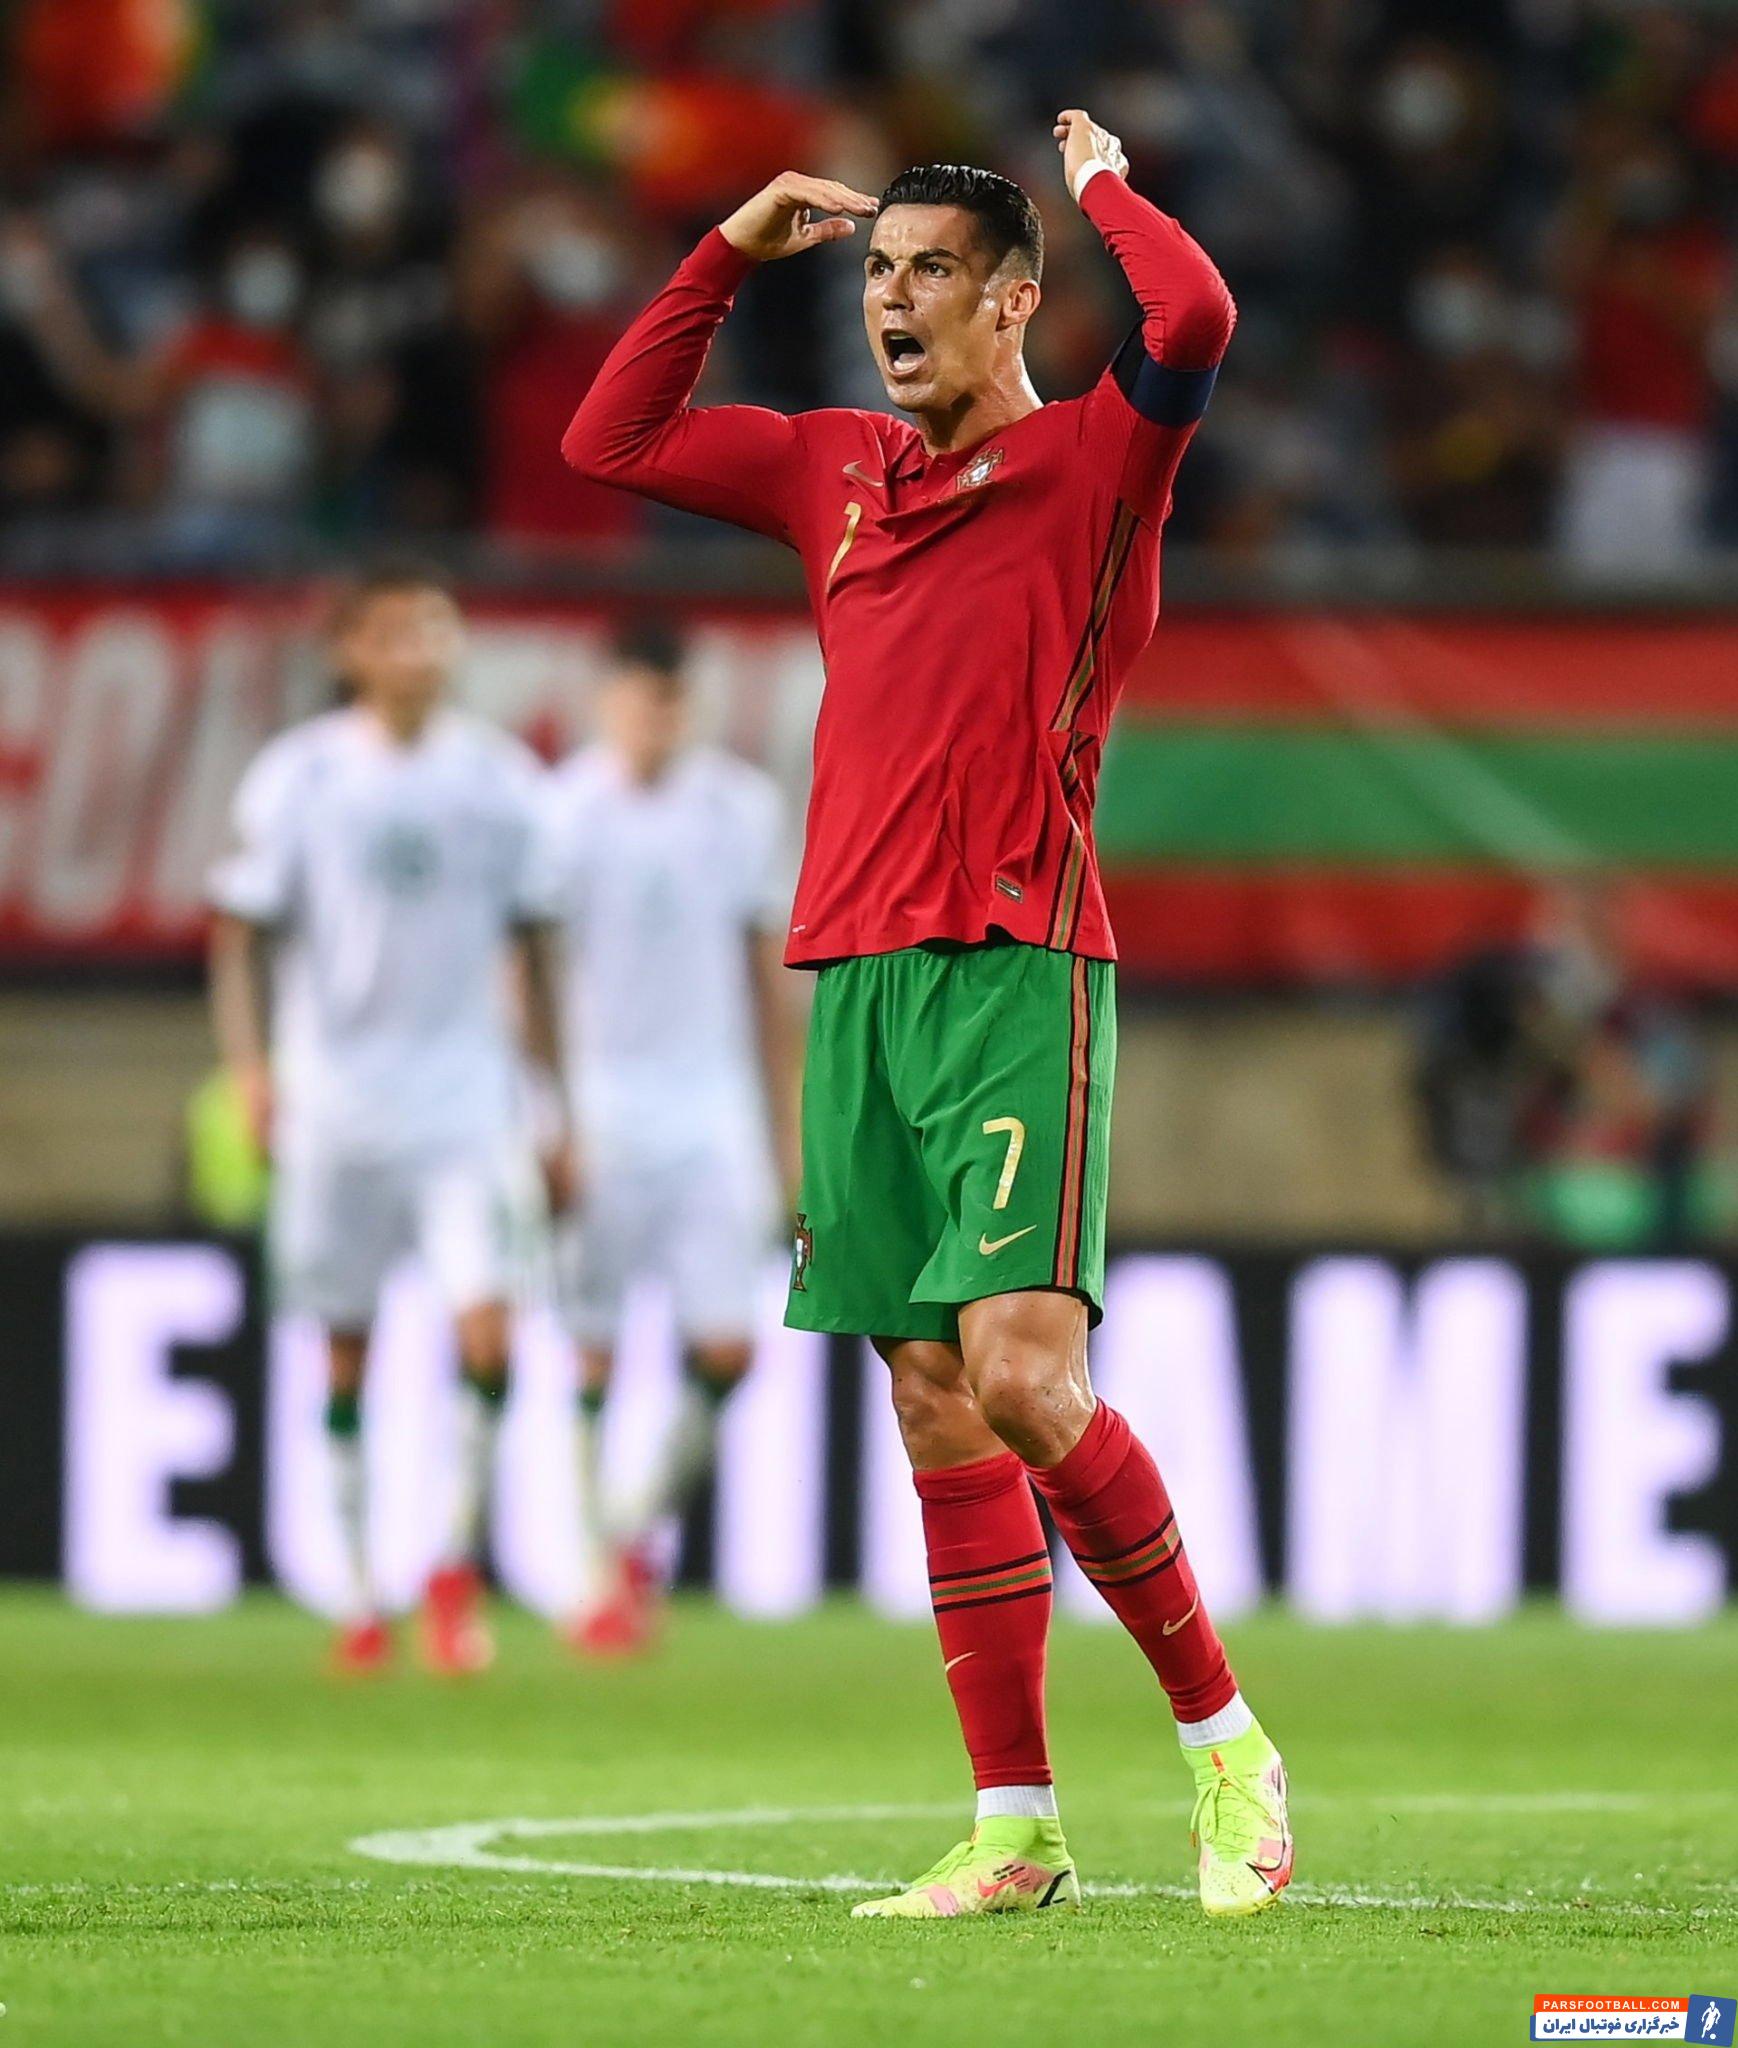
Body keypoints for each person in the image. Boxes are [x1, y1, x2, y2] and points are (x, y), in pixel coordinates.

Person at [562, 112, 1289, 1920]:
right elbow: (609, 439)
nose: (891, 302)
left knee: (1026, 1375)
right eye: (878, 273)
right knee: (931, 1395)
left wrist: (1102, 186)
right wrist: (722, 255)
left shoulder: (1103, 459)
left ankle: (1224, 1743)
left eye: (932, 274)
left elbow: (1195, 317)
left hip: (1015, 960)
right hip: (855, 974)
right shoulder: (833, 467)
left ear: (1014, 302)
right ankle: (1014, 1824)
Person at [207, 562, 572, 1677]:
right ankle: (362, 1587)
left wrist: (553, 1100)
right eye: (397, 631)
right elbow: (238, 932)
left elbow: (535, 947)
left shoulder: (501, 779)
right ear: (351, 651)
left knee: (489, 1330)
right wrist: (251, 1071)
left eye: (435, 628)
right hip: (335, 1102)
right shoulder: (300, 776)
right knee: (344, 1348)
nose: (420, 649)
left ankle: (452, 1570)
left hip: (466, 1099)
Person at [544, 622, 796, 1655]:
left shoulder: (739, 810)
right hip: (599, 1107)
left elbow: (766, 976)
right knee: (592, 1344)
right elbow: (528, 971)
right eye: (641, 698)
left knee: (730, 1348)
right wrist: (545, 1112)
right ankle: (596, 1574)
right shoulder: (560, 814)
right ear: (607, 701)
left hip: (711, 1110)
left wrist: (785, 1125)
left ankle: (628, 1520)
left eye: (672, 700)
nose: (656, 719)